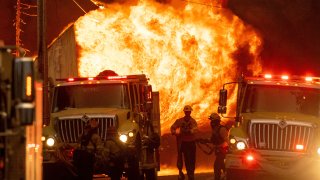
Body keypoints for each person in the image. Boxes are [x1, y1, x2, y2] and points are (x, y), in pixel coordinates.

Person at [170, 105, 198, 180]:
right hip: (183, 143)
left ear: (190, 112)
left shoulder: (193, 121)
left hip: (191, 142)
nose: (187, 113)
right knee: (183, 158)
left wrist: (191, 131)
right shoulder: (179, 121)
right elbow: (172, 127)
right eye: (186, 112)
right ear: (184, 112)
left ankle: (191, 173)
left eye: (188, 112)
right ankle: (181, 172)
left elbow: (196, 129)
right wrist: (175, 132)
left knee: (192, 159)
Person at [73, 115, 103, 180]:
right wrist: (98, 163)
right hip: (89, 161)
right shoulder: (96, 137)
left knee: (81, 176)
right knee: (88, 176)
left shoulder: (81, 136)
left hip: (80, 161)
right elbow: (99, 150)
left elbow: (77, 148)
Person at [209, 113, 229, 180]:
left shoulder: (222, 129)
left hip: (223, 151)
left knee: (217, 166)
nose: (211, 122)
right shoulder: (215, 130)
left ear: (216, 121)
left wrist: (219, 146)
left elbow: (227, 141)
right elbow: (213, 139)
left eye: (212, 120)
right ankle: (227, 175)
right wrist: (203, 140)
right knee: (222, 165)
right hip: (219, 151)